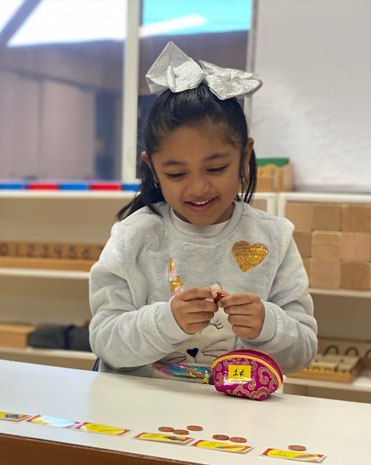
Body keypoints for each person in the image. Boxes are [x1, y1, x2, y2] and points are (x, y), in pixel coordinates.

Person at [89, 42, 317, 381]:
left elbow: (303, 351)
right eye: (176, 174)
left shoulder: (274, 237)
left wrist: (268, 324)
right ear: (152, 168)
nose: (197, 188)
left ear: (244, 155)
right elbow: (104, 340)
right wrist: (167, 321)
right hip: (141, 413)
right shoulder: (134, 237)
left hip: (238, 416)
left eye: (216, 168)